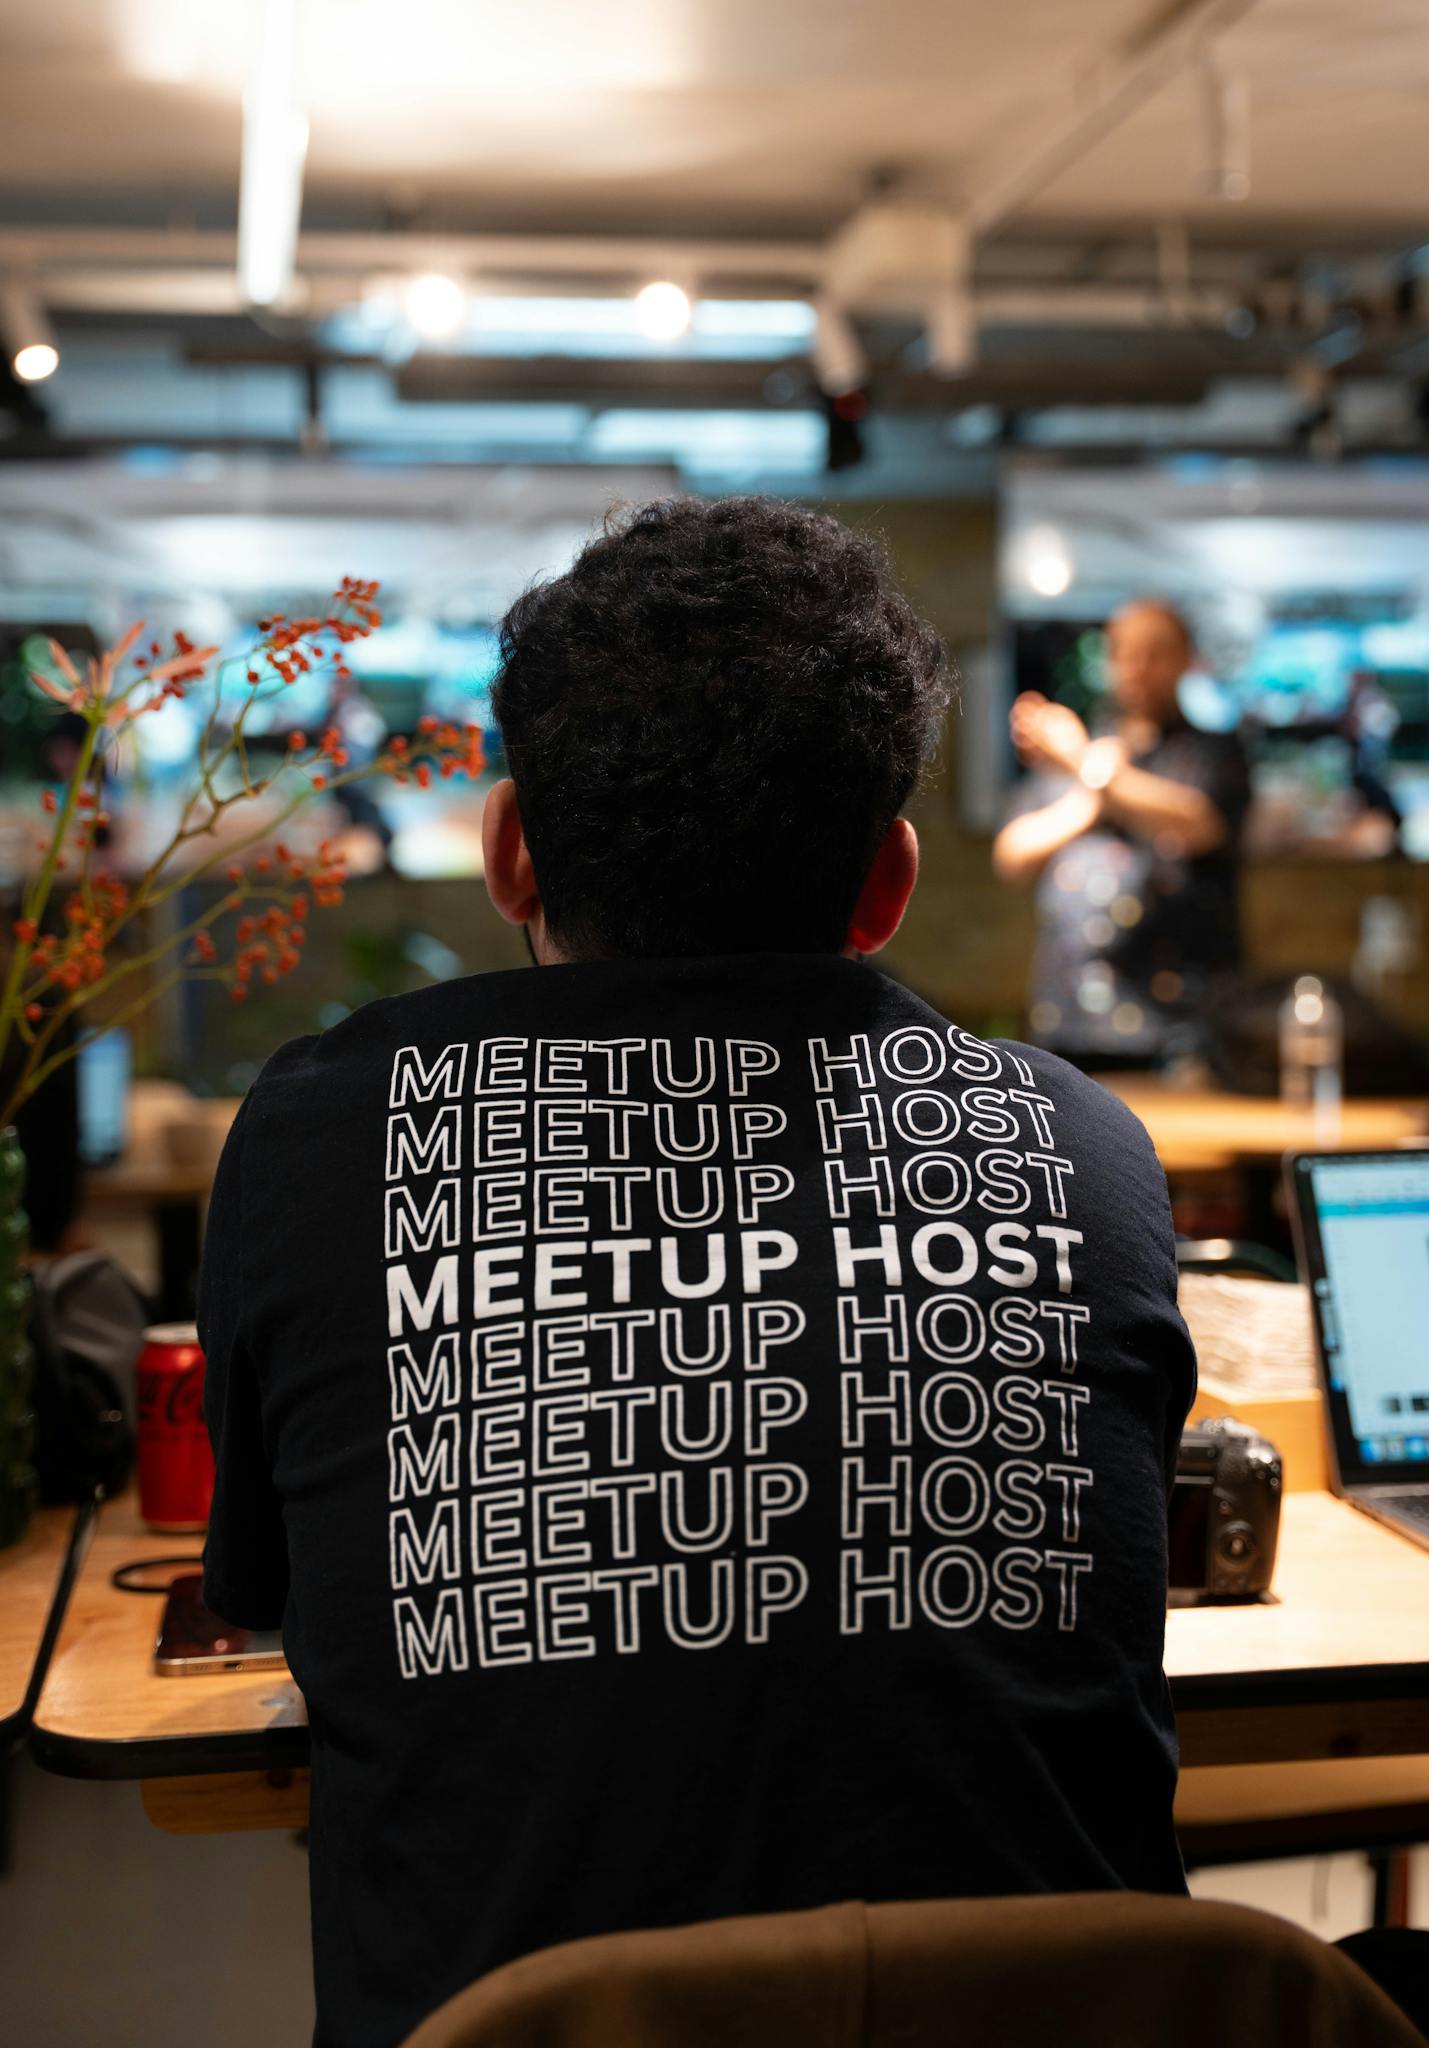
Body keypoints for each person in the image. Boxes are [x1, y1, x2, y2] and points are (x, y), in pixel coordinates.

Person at [200, 500, 1197, 2048]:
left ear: (512, 850)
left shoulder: (324, 1134)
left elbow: (267, 1598)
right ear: (890, 883)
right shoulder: (1087, 1152)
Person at [993, 601, 1251, 1070]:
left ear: (1185, 660)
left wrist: (1078, 763)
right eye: (1123, 652)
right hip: (1067, 1017)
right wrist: (1093, 797)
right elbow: (1012, 855)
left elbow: (1198, 824)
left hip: (1177, 1023)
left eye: (1155, 652)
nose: (1136, 667)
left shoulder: (1211, 751)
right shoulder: (1092, 753)